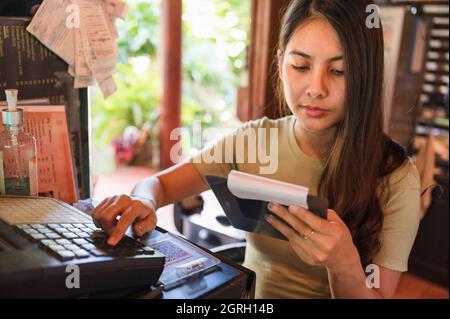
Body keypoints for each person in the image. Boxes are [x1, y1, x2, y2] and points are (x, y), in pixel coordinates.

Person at [92, 0, 421, 299]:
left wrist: (344, 266)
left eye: (339, 71)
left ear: (366, 76)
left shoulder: (395, 175)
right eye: (301, 66)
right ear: (281, 63)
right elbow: (159, 185)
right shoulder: (252, 141)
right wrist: (143, 201)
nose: (316, 89)